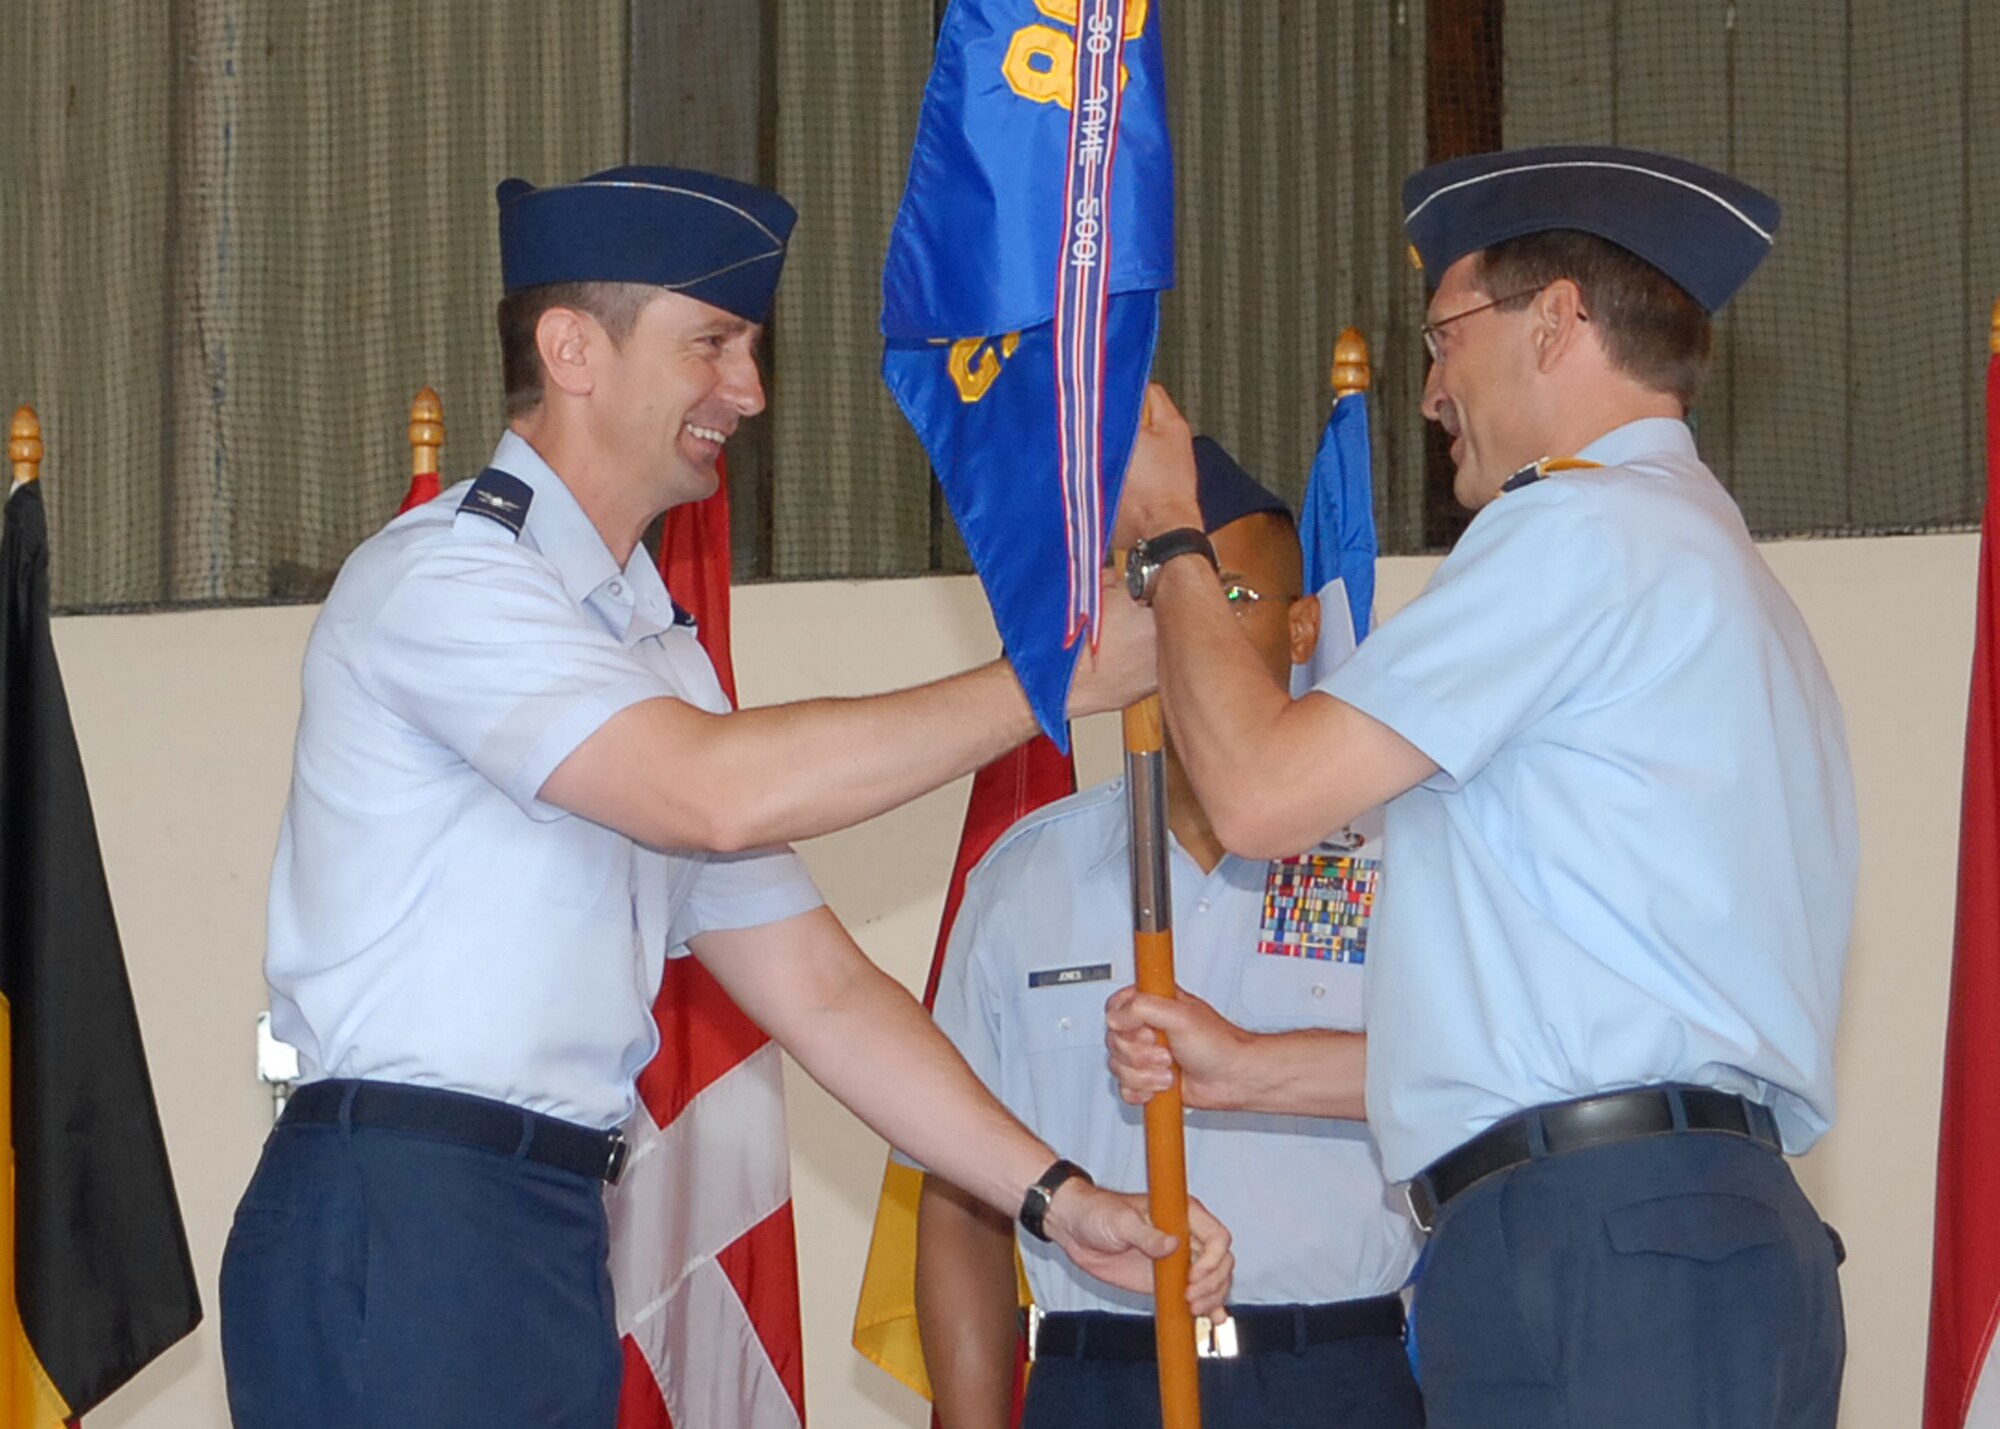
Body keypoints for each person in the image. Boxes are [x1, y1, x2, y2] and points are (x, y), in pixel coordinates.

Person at [218, 165, 1230, 1429]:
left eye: (749, 350)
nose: (747, 392)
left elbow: (820, 988)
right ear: (571, 348)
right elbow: (709, 794)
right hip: (403, 1207)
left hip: (538, 1228)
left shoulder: (652, 645)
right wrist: (1054, 680)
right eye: (712, 345)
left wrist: (1058, 1195)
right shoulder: (443, 583)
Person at [1109, 145, 1855, 1429]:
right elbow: (1569, 1028)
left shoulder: (1575, 531)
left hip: (1594, 1254)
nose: (1430, 389)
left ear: (1556, 321)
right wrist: (1250, 1067)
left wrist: (1172, 533)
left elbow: (1257, 797)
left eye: (1446, 335)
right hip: (1689, 1240)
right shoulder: (1718, 573)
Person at [914, 437, 1422, 1429]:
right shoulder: (1025, 877)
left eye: (1228, 598)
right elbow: (963, 1192)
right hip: (1093, 1376)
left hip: (1330, 1376)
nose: (1185, 634)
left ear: (1303, 623)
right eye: (1151, 603)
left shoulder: (1400, 860)